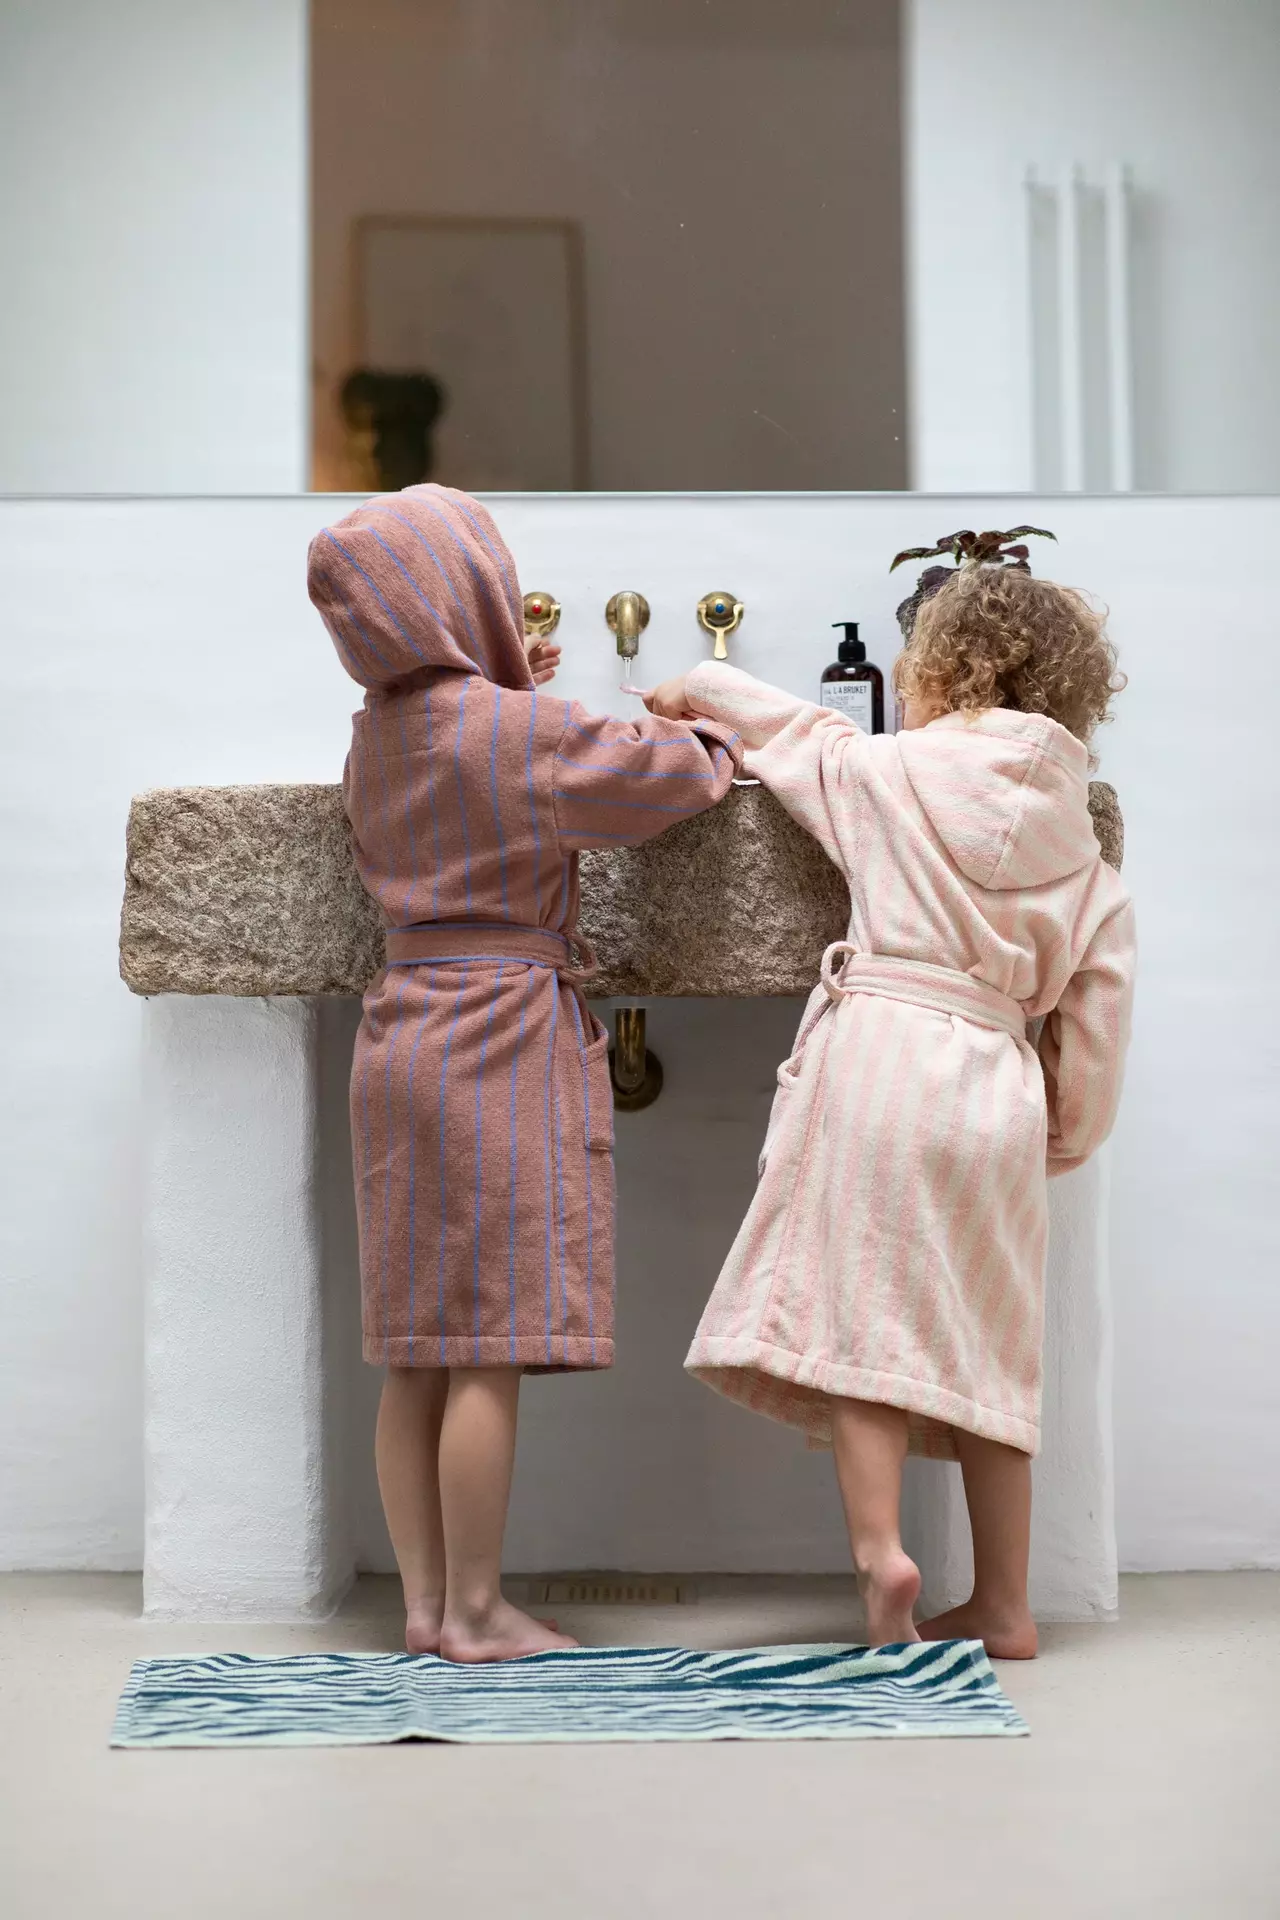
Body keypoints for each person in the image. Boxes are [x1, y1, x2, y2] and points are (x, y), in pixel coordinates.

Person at [645, 562, 1134, 1658]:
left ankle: (881, 1557)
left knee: (862, 1322)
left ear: (937, 665)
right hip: (995, 1082)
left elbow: (793, 732)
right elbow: (1098, 1016)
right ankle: (1004, 1603)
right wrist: (1063, 1134)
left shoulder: (886, 774)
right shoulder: (1082, 847)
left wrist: (691, 686)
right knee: (993, 1350)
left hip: (880, 1057)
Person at [308, 485, 742, 1662]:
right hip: (496, 1036)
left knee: (414, 1348)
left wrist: (509, 687)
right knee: (488, 1343)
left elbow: (468, 748)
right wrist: (714, 728)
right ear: (468, 597)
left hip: (400, 1034)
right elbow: (668, 780)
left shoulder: (375, 734)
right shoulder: (518, 730)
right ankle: (480, 1612)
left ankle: (424, 1608)